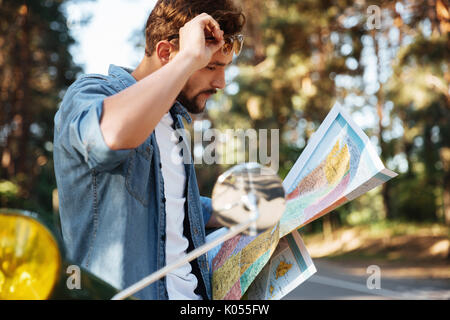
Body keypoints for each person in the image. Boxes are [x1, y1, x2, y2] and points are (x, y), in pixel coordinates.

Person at [53, 0, 246, 300]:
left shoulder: (174, 122)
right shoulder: (91, 93)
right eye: (210, 67)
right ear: (167, 53)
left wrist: (247, 210)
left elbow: (176, 205)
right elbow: (111, 136)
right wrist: (189, 59)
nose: (220, 82)